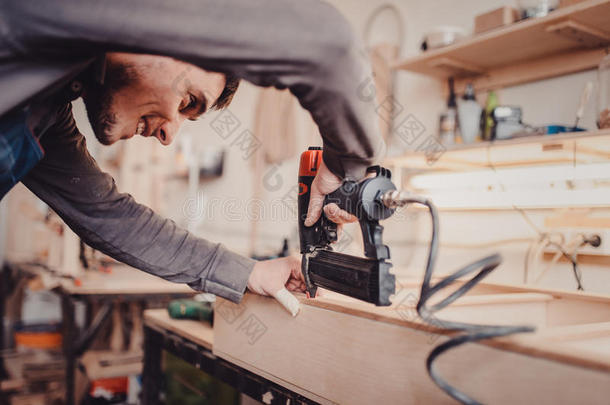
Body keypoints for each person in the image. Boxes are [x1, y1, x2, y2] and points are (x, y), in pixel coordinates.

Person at [0, 0, 385, 304]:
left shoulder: (45, 115)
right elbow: (326, 43)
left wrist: (248, 272)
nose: (169, 134)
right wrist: (345, 168)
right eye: (187, 99)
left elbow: (107, 214)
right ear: (165, 38)